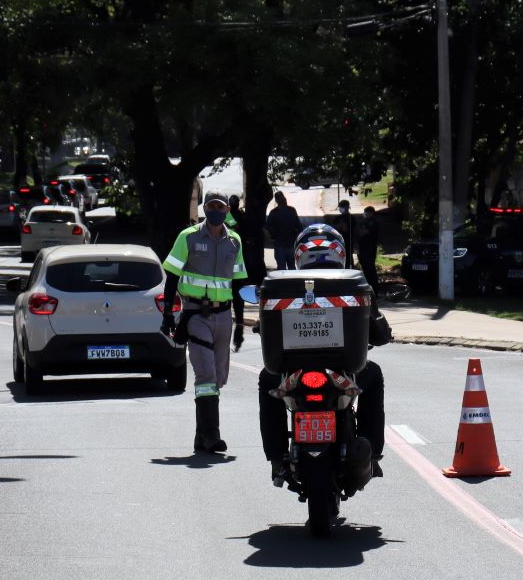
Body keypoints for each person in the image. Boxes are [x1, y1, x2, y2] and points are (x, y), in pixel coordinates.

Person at [257, 224, 387, 483]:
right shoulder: (354, 283)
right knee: (373, 375)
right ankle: (371, 454)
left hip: (293, 372)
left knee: (267, 379)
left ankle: (276, 459)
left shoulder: (284, 286)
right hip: (343, 370)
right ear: (340, 253)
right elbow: (380, 335)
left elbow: (268, 327)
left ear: (299, 256)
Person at [160, 192, 248, 453]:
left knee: (218, 378)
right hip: (196, 314)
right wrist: (167, 312)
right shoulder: (188, 237)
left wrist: (240, 326)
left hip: (224, 316)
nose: (216, 210)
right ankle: (212, 435)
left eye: (220, 207)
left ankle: (201, 436)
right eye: (211, 206)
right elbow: (172, 276)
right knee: (206, 375)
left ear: (227, 210)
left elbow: (238, 285)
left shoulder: (234, 241)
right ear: (205, 208)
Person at [264, 190, 302, 271]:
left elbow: (266, 229)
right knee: (291, 268)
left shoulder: (274, 213)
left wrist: (271, 240)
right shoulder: (291, 210)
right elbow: (299, 228)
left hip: (281, 246)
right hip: (288, 245)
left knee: (282, 270)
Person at [357, 205, 381, 291]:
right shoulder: (366, 221)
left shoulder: (372, 222)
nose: (364, 214)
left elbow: (363, 233)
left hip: (369, 248)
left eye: (366, 212)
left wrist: (360, 232)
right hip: (364, 248)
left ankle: (374, 288)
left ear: (370, 213)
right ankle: (368, 286)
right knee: (365, 268)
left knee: (370, 268)